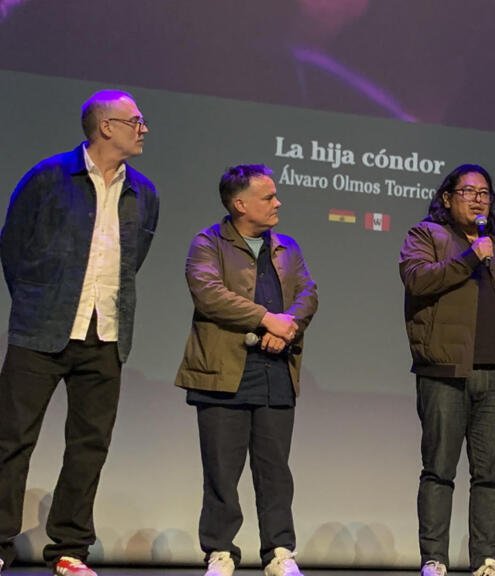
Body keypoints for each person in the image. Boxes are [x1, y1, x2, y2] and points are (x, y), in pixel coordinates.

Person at [0, 90, 158, 576]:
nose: (144, 128)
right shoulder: (50, 176)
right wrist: (36, 300)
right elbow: (14, 247)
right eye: (136, 120)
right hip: (40, 331)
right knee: (11, 439)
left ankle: (70, 548)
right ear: (105, 127)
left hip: (105, 333)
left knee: (89, 444)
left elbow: (134, 261)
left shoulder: (144, 192)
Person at [399, 164, 495, 576]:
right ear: (447, 197)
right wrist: (468, 258)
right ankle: (434, 559)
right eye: (468, 191)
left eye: (485, 192)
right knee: (439, 471)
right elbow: (417, 281)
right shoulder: (425, 236)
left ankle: (485, 558)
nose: (479, 198)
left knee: (491, 475)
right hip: (444, 373)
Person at [175, 165, 318, 576]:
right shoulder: (208, 242)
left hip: (276, 370)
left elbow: (308, 292)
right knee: (221, 468)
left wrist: (287, 326)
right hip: (222, 372)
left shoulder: (286, 246)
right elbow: (209, 295)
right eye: (268, 197)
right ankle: (219, 550)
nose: (278, 203)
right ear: (240, 204)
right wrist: (266, 319)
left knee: (275, 469)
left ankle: (279, 552)